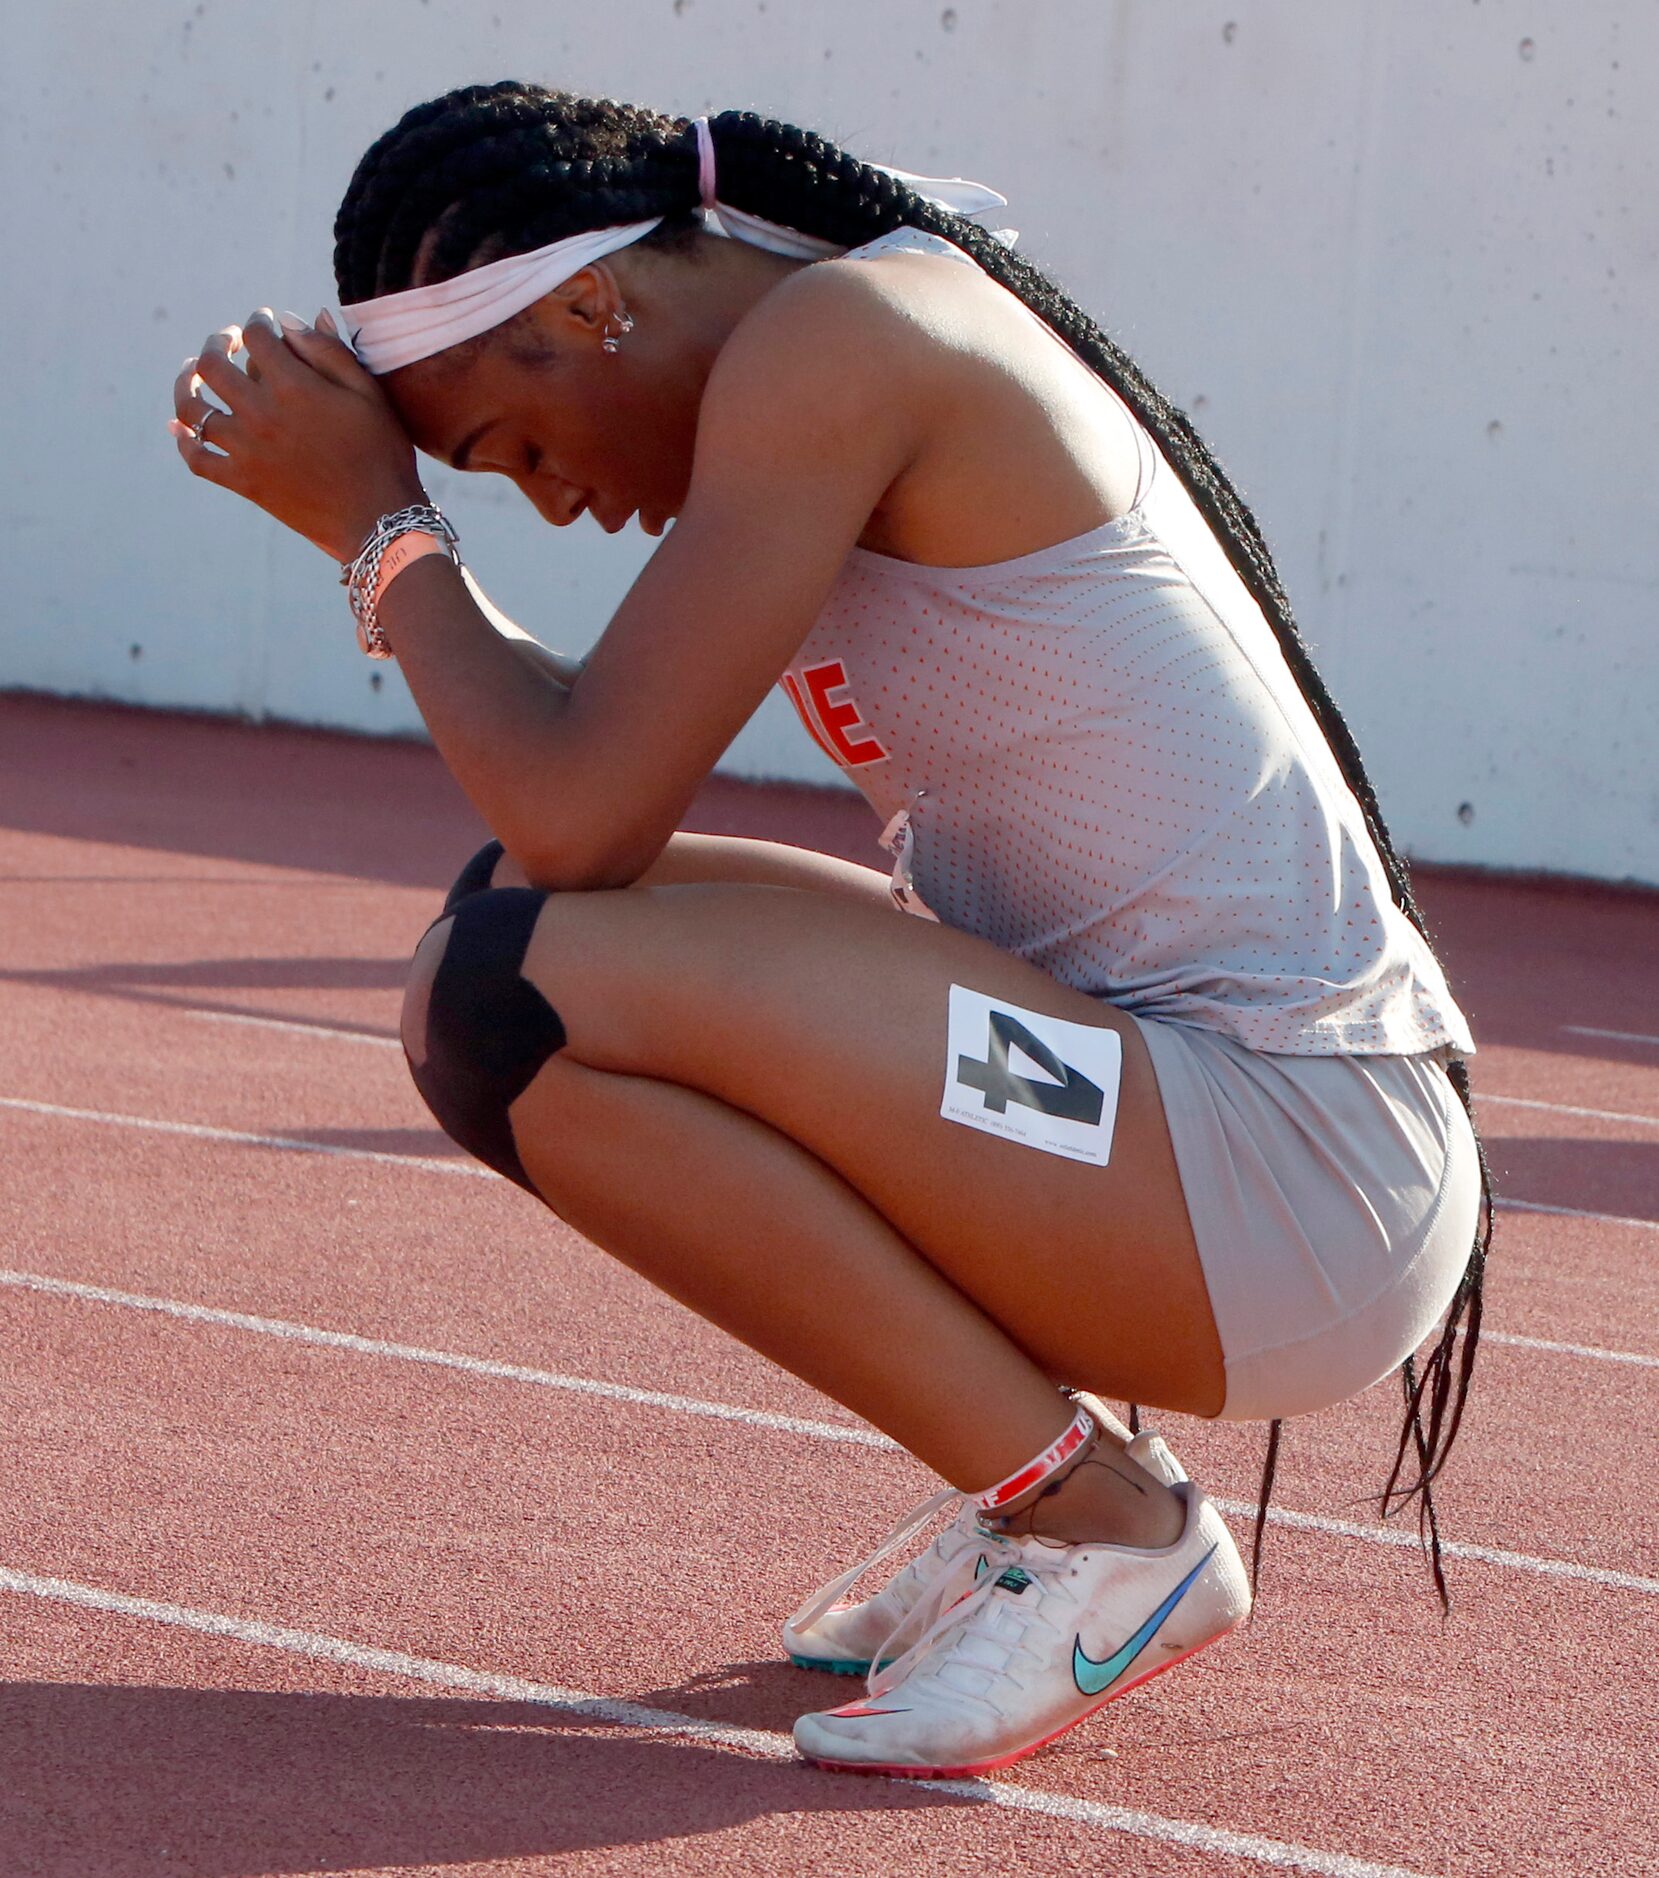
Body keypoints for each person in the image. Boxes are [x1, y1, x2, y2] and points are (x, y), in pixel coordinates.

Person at [169, 84, 1492, 1779]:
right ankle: (1055, 1488)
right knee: (503, 933)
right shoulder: (833, 328)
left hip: (1289, 1167)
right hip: (1188, 1111)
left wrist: (381, 528)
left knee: (518, 990)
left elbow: (587, 799)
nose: (557, 504)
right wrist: (397, 533)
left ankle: (1100, 1527)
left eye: (517, 447)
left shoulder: (843, 346)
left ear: (591, 305)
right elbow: (578, 792)